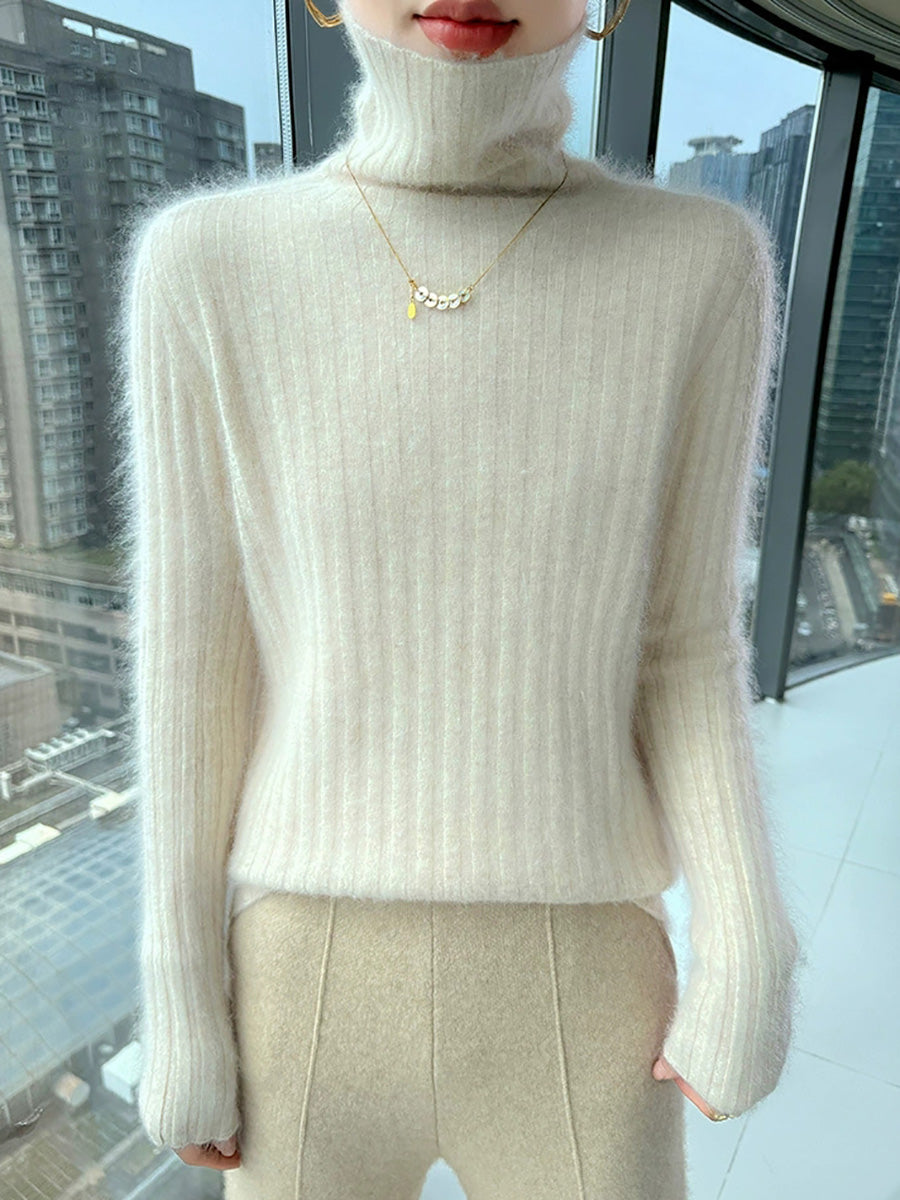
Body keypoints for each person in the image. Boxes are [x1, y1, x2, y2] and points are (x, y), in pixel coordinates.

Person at [114, 0, 802, 1194]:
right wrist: (180, 995)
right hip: (300, 992)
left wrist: (750, 943)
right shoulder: (208, 262)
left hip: (588, 985)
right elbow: (192, 666)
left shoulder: (698, 261)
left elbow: (685, 644)